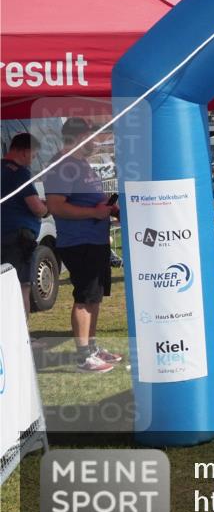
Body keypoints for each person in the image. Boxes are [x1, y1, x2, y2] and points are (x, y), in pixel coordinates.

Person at [43, 118, 123, 373]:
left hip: (95, 240)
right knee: (84, 298)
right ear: (80, 137)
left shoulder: (81, 164)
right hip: (79, 242)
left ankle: (92, 349)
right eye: (94, 137)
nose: (98, 142)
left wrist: (110, 209)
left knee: (94, 298)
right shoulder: (62, 165)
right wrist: (94, 213)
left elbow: (92, 201)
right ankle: (83, 356)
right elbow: (55, 206)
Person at [1, 133, 49, 317]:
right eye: (34, 154)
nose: (34, 159)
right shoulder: (19, 173)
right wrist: (47, 208)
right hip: (16, 239)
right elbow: (36, 208)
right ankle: (23, 338)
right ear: (24, 151)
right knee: (21, 286)